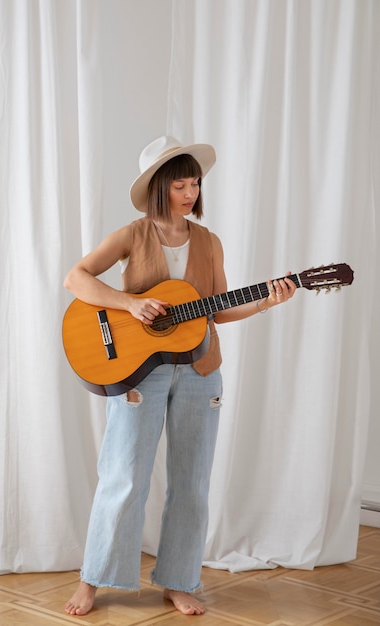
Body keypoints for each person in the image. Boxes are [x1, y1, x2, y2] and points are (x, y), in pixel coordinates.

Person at [63, 136, 296, 616]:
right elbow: (77, 278)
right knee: (123, 476)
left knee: (192, 480)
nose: (190, 193)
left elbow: (220, 310)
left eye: (195, 184)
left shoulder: (209, 242)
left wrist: (267, 300)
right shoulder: (132, 234)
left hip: (200, 371)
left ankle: (179, 579)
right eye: (180, 185)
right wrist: (130, 302)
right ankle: (94, 578)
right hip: (136, 372)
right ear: (157, 188)